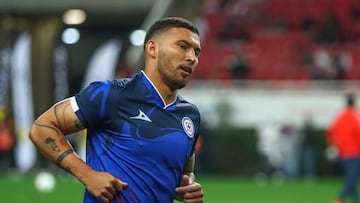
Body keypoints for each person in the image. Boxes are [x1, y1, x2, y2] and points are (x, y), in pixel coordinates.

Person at [29, 17, 204, 203]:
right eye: (182, 46)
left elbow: (185, 172)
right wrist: (88, 175)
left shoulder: (189, 115)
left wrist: (187, 186)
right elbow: (42, 128)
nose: (191, 58)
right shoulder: (111, 95)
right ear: (153, 48)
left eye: (196, 51)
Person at [327, 93, 360, 203]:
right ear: (354, 103)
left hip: (343, 152)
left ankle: (355, 199)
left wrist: (336, 144)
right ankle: (341, 198)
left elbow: (331, 133)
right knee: (352, 177)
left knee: (351, 177)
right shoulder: (355, 117)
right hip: (354, 152)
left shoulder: (340, 117)